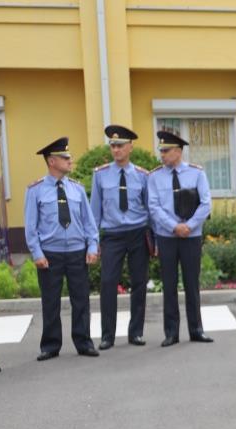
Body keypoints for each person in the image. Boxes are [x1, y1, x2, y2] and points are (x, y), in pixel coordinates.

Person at [24, 137, 100, 361]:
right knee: (50, 301)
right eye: (65, 158)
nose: (70, 160)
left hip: (77, 251)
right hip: (50, 253)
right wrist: (37, 253)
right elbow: (31, 226)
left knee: (81, 300)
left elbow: (89, 222)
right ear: (51, 161)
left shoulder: (76, 189)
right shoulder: (36, 190)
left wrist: (92, 246)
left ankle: (84, 342)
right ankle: (50, 345)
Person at [147, 130, 213, 347]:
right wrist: (174, 226)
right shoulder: (155, 176)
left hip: (191, 237)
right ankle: (171, 333)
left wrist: (189, 226)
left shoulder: (196, 173)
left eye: (166, 151)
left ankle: (196, 330)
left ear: (178, 151)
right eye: (161, 151)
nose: (162, 155)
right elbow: (154, 207)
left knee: (192, 284)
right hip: (167, 237)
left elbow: (205, 204)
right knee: (169, 285)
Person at [90, 125, 151, 349]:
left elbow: (150, 209)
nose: (116, 150)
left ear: (130, 147)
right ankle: (108, 335)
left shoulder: (143, 176)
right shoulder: (100, 175)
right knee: (107, 283)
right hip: (112, 235)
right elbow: (94, 212)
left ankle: (136, 332)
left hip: (137, 233)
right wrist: (93, 241)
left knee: (139, 283)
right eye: (113, 146)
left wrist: (154, 239)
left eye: (120, 145)